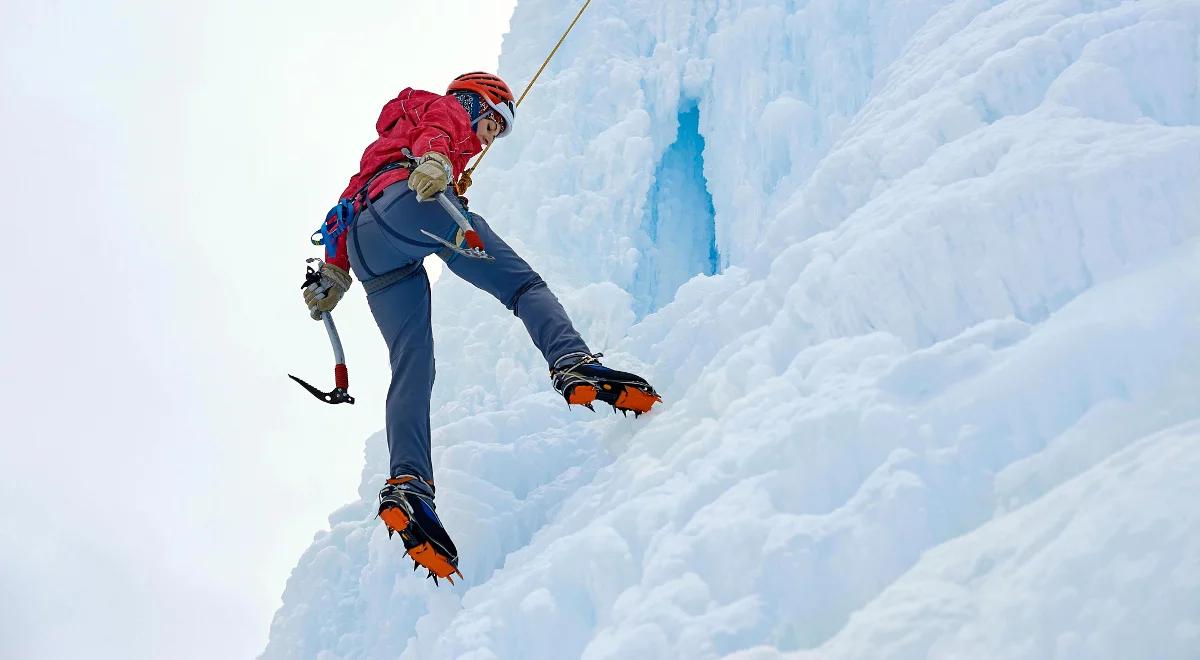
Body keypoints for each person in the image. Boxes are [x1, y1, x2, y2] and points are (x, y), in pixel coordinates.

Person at [301, 72, 661, 584]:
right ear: (477, 102)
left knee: (412, 366)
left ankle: (409, 484)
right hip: (415, 205)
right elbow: (443, 127)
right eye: (493, 122)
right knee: (522, 287)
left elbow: (347, 200)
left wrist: (335, 269)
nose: (489, 138)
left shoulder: (387, 140)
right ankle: (573, 364)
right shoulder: (446, 111)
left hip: (367, 245)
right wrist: (438, 160)